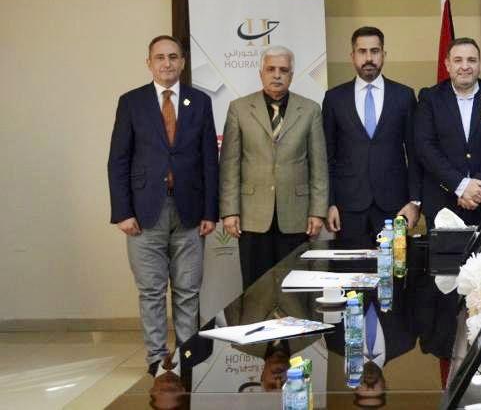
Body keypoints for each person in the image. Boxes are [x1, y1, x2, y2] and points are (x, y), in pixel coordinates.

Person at [107, 35, 218, 375]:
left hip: (190, 211)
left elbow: (209, 160)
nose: (167, 63)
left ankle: (186, 356)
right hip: (143, 213)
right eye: (160, 57)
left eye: (173, 57)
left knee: (188, 290)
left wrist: (210, 211)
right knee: (151, 291)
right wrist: (122, 212)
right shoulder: (132, 102)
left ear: (182, 62)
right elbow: (118, 160)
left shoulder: (200, 101)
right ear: (149, 63)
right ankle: (157, 358)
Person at [219, 45, 328, 289]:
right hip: (252, 215)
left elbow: (318, 166)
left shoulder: (310, 109)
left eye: (283, 70)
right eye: (271, 69)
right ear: (261, 73)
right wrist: (229, 211)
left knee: (295, 288)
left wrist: (317, 211)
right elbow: (229, 165)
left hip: (297, 215)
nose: (277, 75)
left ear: (291, 75)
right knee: (255, 288)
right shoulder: (239, 108)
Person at [322, 27, 421, 247]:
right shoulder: (334, 98)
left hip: (394, 206)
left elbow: (415, 155)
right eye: (362, 51)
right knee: (350, 267)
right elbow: (327, 156)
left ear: (384, 55)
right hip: (348, 207)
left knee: (395, 266)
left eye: (375, 51)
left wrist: (415, 201)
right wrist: (329, 203)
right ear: (352, 56)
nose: (369, 58)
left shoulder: (404, 96)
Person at [415, 37, 481, 225]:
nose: (465, 66)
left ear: (480, 64)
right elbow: (425, 148)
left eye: (471, 60)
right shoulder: (430, 98)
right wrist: (460, 186)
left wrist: (477, 188)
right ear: (447, 65)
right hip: (443, 203)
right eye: (458, 60)